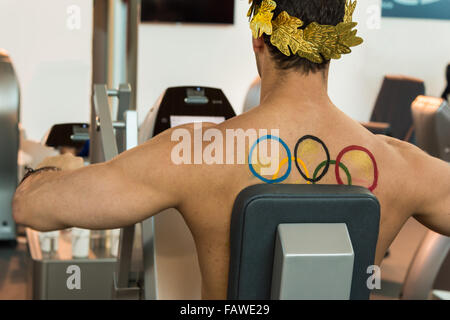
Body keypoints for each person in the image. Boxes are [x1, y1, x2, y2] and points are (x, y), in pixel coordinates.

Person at [13, 0, 450, 299]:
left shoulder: (195, 153)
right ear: (334, 48)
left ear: (258, 40)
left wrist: (52, 166)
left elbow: (31, 208)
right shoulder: (396, 164)